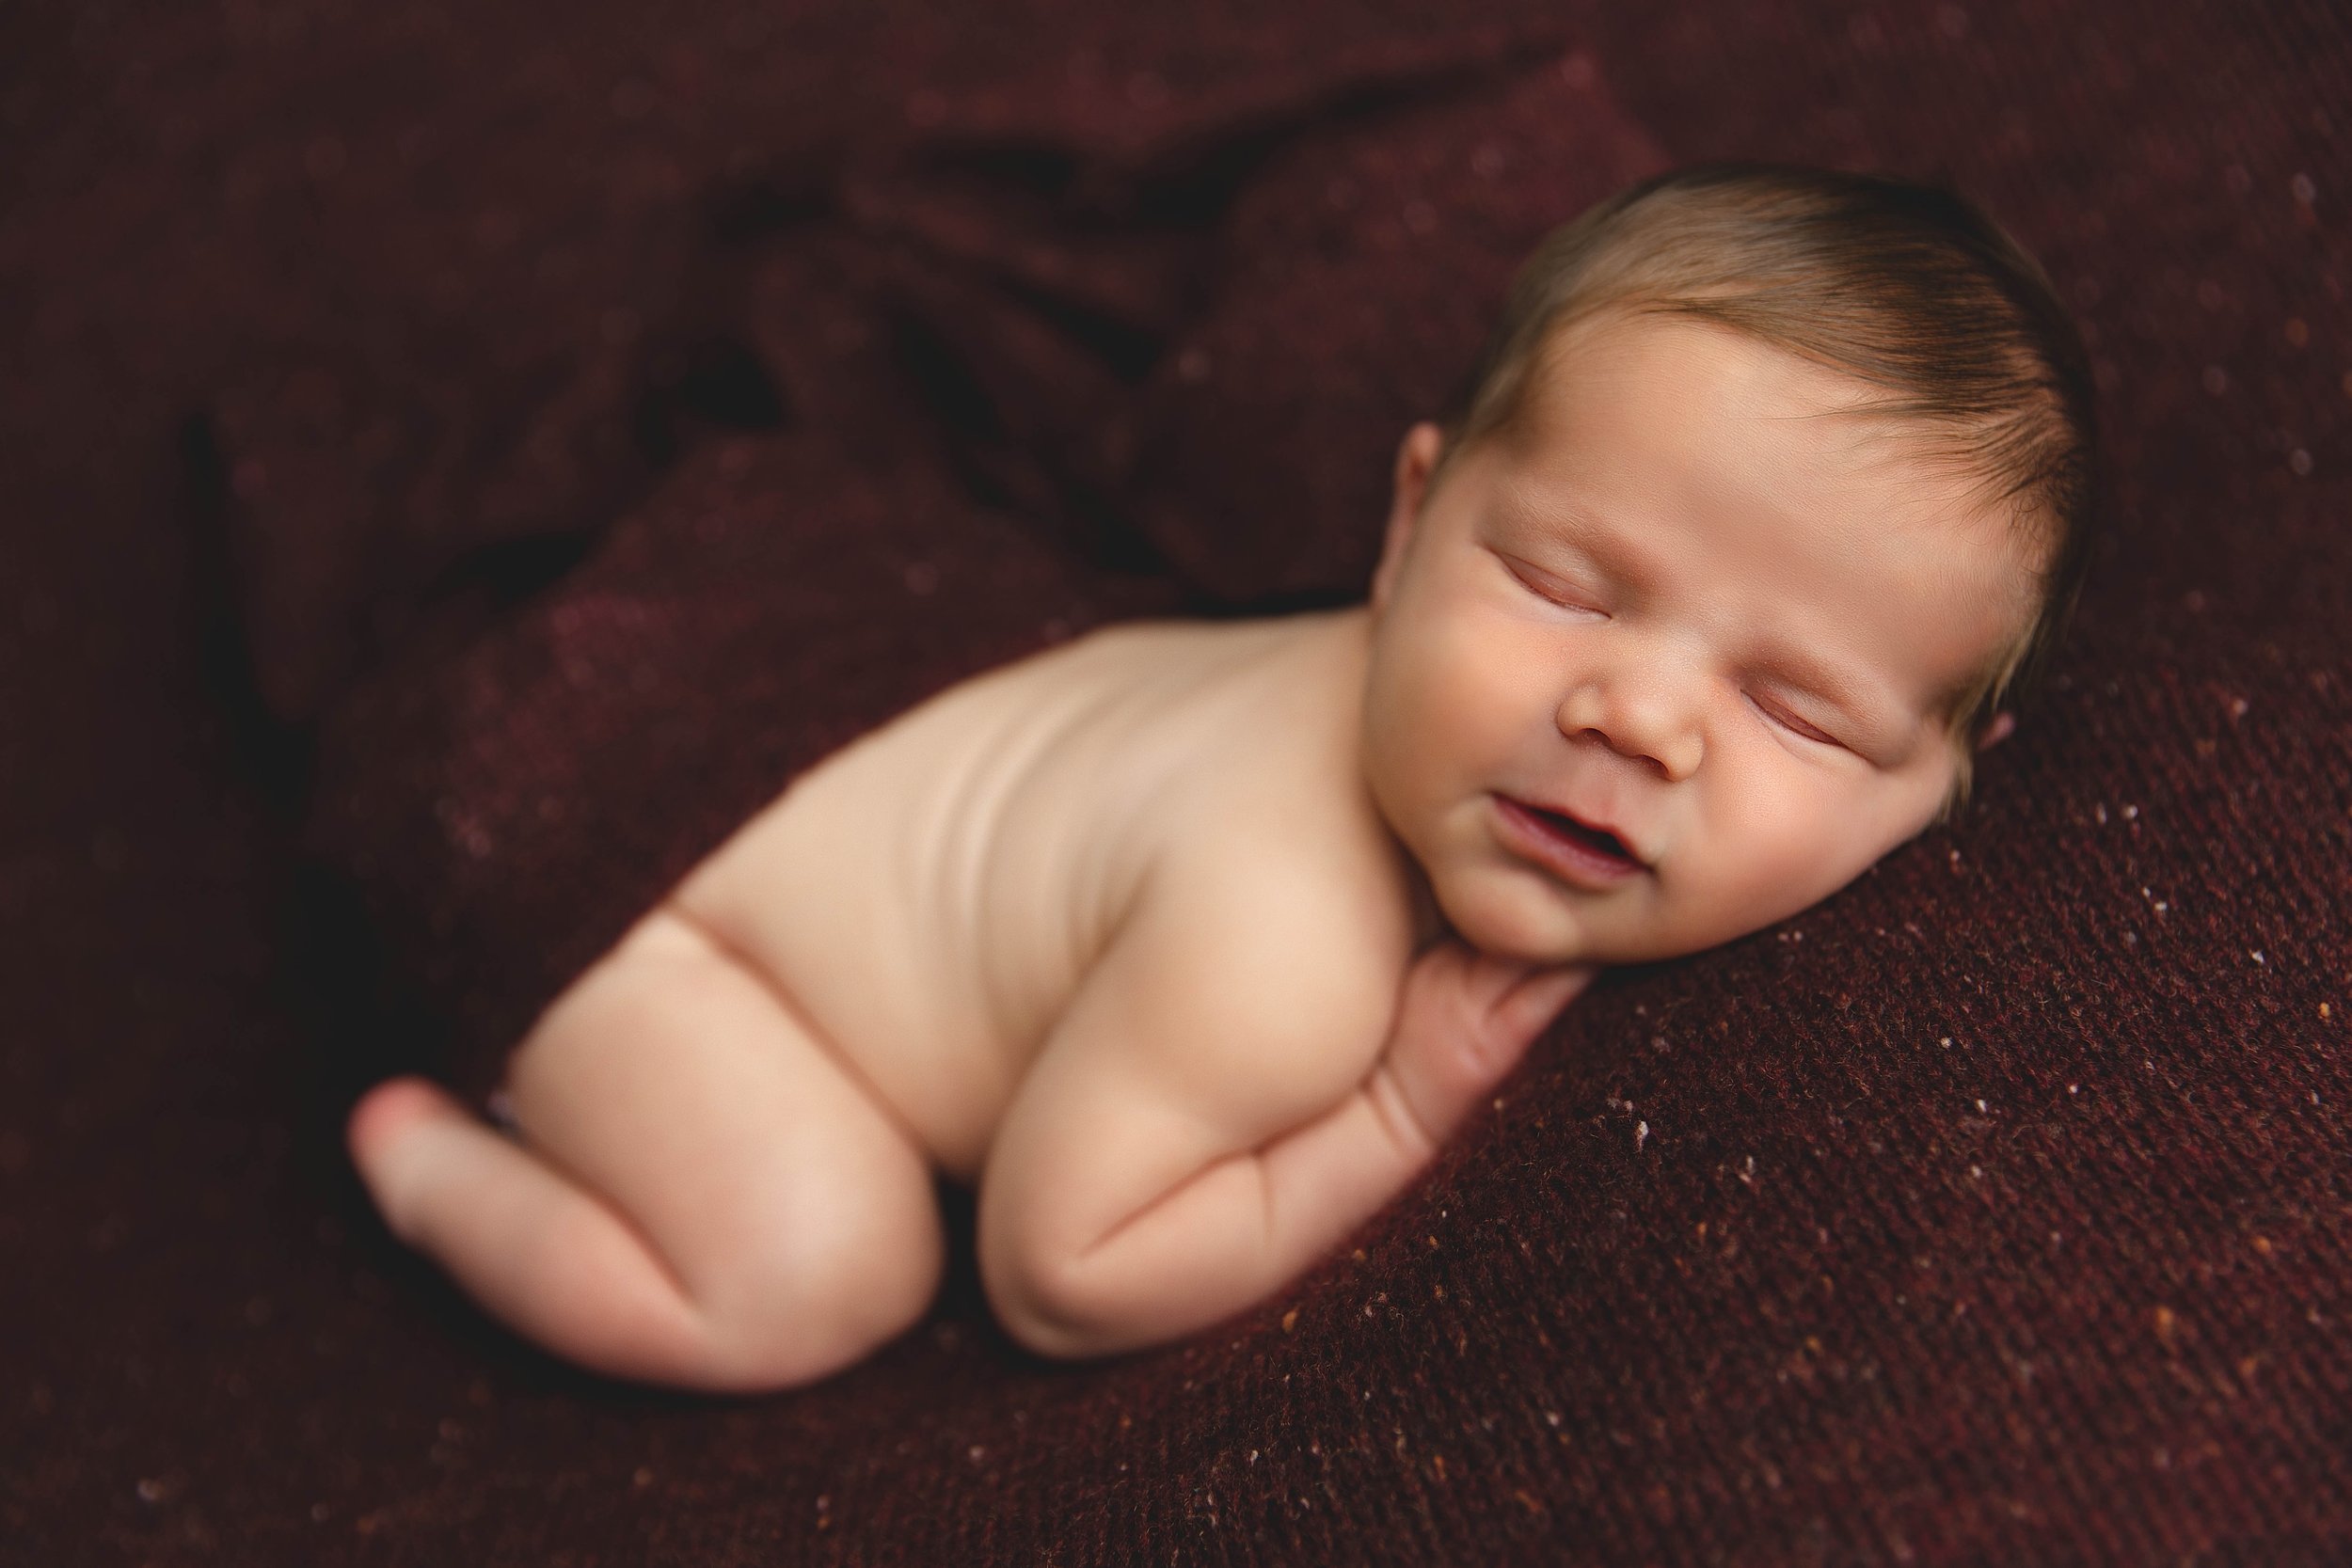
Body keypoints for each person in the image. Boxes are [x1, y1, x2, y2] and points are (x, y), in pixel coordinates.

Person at [344, 163, 2099, 1391]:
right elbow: (1061, 1271)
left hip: (820, 724)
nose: (1638, 718)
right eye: (1562, 586)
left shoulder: (1428, 712)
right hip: (654, 893)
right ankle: (430, 1166)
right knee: (817, 1273)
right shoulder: (1282, 940)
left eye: (1800, 711)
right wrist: (1392, 1110)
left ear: (1955, 777)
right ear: (1407, 523)